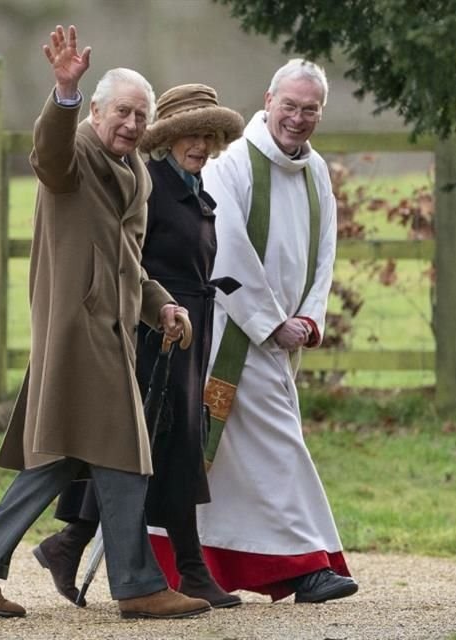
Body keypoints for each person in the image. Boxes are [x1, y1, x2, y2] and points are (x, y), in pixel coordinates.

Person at [0, 25, 210, 621]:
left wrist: (161, 303)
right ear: (95, 110)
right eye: (122, 112)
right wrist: (61, 92)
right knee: (126, 455)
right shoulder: (77, 152)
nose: (132, 124)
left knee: (64, 458)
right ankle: (138, 584)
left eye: (141, 115)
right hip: (77, 332)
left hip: (112, 331)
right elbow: (48, 154)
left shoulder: (136, 171)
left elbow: (129, 263)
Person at [152, 59, 360, 604]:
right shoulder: (234, 163)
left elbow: (325, 251)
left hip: (283, 336)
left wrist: (310, 318)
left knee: (225, 464)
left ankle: (181, 562)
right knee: (278, 445)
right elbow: (229, 250)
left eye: (309, 109)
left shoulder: (316, 171)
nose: (298, 118)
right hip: (232, 334)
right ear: (268, 100)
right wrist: (271, 323)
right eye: (289, 105)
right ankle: (306, 565)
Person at [32, 84, 245, 609]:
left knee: (161, 446)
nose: (202, 144)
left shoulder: (191, 185)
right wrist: (153, 311)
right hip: (150, 334)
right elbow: (128, 259)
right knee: (152, 447)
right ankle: (182, 570)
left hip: (188, 325)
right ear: (168, 138)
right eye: (192, 134)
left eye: (210, 135)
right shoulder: (149, 183)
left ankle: (70, 542)